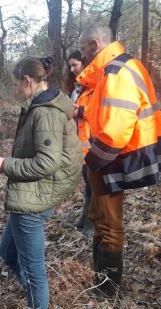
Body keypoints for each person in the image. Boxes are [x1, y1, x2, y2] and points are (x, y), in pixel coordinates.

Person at [0, 56, 82, 309]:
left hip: (34, 198)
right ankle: (37, 304)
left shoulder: (45, 113)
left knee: (33, 268)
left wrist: (7, 165)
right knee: (8, 254)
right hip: (30, 193)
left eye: (17, 83)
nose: (16, 89)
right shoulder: (41, 106)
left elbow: (46, 163)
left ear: (28, 81)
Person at [76, 25, 161, 297]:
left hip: (113, 157)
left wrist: (93, 161)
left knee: (109, 223)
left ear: (94, 44)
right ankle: (101, 281)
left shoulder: (115, 72)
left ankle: (107, 290)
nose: (83, 56)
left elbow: (116, 128)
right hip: (114, 155)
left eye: (83, 49)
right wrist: (80, 111)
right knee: (100, 217)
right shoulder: (116, 69)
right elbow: (105, 112)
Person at [66, 51, 93, 234]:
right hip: (79, 143)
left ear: (84, 63)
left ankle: (91, 224)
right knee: (88, 184)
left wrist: (80, 111)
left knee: (93, 185)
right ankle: (84, 219)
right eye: (70, 66)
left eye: (75, 65)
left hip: (93, 143)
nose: (72, 69)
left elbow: (101, 111)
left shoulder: (95, 86)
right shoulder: (76, 88)